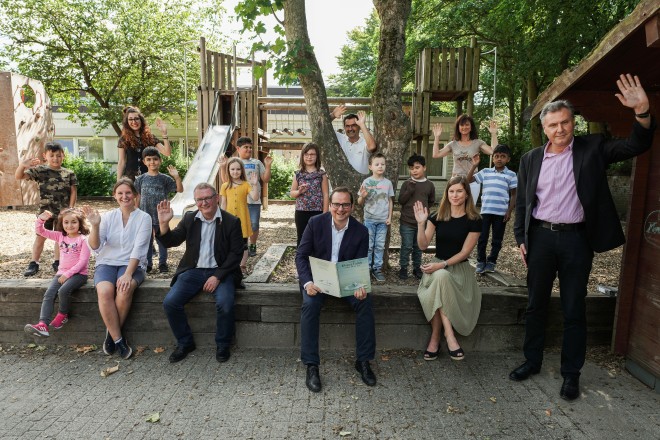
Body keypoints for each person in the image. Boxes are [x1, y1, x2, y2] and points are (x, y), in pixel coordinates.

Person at [509, 74, 656, 401]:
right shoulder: (531, 159)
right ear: (544, 129)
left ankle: (570, 374)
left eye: (564, 123)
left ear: (572, 122)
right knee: (535, 305)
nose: (559, 130)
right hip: (541, 239)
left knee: (574, 308)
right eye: (552, 125)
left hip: (577, 241)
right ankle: (531, 361)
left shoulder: (593, 148)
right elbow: (523, 202)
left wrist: (642, 112)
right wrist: (521, 237)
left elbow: (637, 144)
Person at [295, 187, 377, 392]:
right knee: (310, 305)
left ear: (351, 206)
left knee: (365, 303)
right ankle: (311, 365)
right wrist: (307, 283)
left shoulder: (361, 231)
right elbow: (301, 256)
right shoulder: (315, 223)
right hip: (318, 281)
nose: (340, 209)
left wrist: (360, 285)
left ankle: (364, 361)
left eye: (345, 205)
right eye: (336, 204)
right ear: (330, 205)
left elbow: (360, 263)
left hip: (345, 282)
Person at [157, 183, 244, 364]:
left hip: (222, 271)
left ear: (216, 198)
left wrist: (217, 276)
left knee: (225, 303)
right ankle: (185, 342)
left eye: (207, 198)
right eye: (199, 199)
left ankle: (222, 344)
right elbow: (172, 241)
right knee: (170, 302)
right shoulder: (190, 218)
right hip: (194, 271)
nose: (204, 203)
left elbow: (236, 254)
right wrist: (164, 224)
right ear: (195, 201)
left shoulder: (231, 221)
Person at [413, 176, 482, 361]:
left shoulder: (474, 219)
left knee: (441, 277)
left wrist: (442, 265)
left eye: (459, 191)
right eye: (451, 191)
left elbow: (465, 253)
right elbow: (422, 245)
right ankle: (448, 335)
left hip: (458, 271)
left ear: (467, 193)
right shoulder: (437, 216)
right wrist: (421, 224)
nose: (455, 195)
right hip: (436, 269)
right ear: (447, 193)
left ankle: (435, 338)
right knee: (441, 278)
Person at [82, 179, 152, 360]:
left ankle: (110, 334)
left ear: (135, 195)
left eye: (128, 192)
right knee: (104, 291)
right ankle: (118, 339)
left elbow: (139, 248)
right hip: (107, 262)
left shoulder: (144, 218)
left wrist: (128, 274)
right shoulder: (107, 217)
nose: (124, 196)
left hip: (132, 264)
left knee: (124, 288)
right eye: (120, 193)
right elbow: (96, 248)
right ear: (115, 196)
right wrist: (95, 226)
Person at [24, 208, 91, 337]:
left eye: (73, 222)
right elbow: (40, 231)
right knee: (49, 294)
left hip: (79, 275)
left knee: (63, 291)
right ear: (62, 223)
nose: (69, 225)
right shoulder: (60, 236)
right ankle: (43, 324)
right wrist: (41, 219)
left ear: (80, 224)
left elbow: (83, 262)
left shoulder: (83, 240)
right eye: (66, 222)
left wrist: (68, 274)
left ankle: (63, 314)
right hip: (61, 273)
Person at [15, 141, 78, 277]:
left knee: (60, 238)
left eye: (58, 155)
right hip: (46, 212)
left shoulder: (69, 173)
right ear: (45, 156)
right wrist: (22, 165)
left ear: (63, 156)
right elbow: (18, 176)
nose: (55, 158)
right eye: (52, 155)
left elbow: (73, 191)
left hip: (63, 213)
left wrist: (71, 209)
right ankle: (34, 262)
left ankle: (58, 262)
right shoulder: (40, 171)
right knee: (40, 237)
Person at [466, 144, 518, 274]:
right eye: (496, 156)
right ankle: (481, 261)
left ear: (508, 159)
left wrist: (509, 211)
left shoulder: (511, 175)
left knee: (497, 239)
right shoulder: (485, 172)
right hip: (485, 212)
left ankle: (491, 262)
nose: (499, 159)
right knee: (482, 238)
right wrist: (473, 165)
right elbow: (468, 180)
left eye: (502, 156)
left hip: (501, 213)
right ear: (493, 158)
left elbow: (514, 194)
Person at [219, 137, 272, 257]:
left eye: (250, 147)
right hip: (236, 201)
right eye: (245, 147)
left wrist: (268, 166)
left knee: (254, 224)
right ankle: (240, 246)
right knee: (236, 224)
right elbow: (226, 181)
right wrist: (222, 167)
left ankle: (252, 244)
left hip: (253, 198)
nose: (248, 149)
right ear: (238, 149)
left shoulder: (256, 162)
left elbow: (266, 179)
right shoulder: (234, 163)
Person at [134, 147, 183, 273]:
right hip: (145, 216)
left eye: (155, 159)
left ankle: (162, 264)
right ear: (144, 162)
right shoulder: (140, 179)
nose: (152, 162)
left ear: (160, 161)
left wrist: (176, 177)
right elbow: (138, 196)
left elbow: (179, 189)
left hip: (161, 217)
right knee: (147, 241)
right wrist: (135, 212)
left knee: (162, 241)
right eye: (149, 159)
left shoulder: (165, 179)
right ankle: (148, 263)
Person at [432, 115, 498, 202]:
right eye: (461, 125)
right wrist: (437, 137)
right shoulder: (453, 144)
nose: (464, 127)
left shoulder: (478, 143)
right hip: (456, 180)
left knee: (470, 208)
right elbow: (436, 154)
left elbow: (494, 151)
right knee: (455, 206)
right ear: (458, 127)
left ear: (471, 127)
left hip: (473, 181)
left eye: (467, 125)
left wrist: (493, 134)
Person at [397, 154, 436, 280]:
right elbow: (401, 200)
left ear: (424, 167)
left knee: (419, 247)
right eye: (411, 168)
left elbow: (431, 201)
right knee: (406, 246)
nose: (414, 170)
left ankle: (416, 268)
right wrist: (409, 190)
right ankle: (403, 268)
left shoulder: (429, 184)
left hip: (422, 223)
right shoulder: (406, 183)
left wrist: (424, 213)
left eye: (417, 167)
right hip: (407, 221)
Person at [357, 153, 394, 282]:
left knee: (380, 246)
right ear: (370, 167)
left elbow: (390, 201)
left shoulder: (388, 183)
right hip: (369, 220)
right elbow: (359, 202)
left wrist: (390, 217)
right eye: (377, 164)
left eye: (382, 164)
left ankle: (377, 269)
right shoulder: (366, 182)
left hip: (383, 221)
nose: (380, 166)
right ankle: (367, 268)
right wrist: (363, 196)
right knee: (369, 245)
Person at [220, 158, 260, 272]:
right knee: (228, 243)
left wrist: (255, 184)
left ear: (242, 170)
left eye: (238, 169)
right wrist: (222, 218)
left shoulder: (246, 184)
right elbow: (223, 203)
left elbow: (255, 197)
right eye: (232, 169)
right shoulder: (225, 185)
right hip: (229, 219)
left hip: (242, 219)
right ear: (228, 170)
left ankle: (242, 266)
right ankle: (230, 264)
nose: (235, 171)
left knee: (243, 244)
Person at [116, 106, 171, 181]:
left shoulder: (150, 137)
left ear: (141, 120)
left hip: (148, 179)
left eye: (136, 119)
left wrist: (164, 133)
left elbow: (167, 152)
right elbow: (121, 162)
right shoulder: (123, 139)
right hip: (130, 180)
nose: (134, 122)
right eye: (130, 119)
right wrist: (118, 183)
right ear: (127, 122)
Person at [290, 143, 329, 247]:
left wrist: (325, 214)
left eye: (312, 154)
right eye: (306, 154)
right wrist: (299, 192)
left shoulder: (322, 175)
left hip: (318, 212)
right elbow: (292, 193)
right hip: (301, 212)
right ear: (302, 156)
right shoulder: (298, 174)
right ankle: (301, 261)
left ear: (317, 156)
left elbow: (326, 195)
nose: (309, 157)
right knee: (302, 238)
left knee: (317, 239)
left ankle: (316, 262)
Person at [330, 106, 377, 174]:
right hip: (343, 182)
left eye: (354, 125)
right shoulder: (340, 138)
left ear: (359, 127)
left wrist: (362, 124)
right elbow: (322, 127)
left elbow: (372, 147)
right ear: (344, 127)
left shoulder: (364, 142)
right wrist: (333, 115)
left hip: (362, 182)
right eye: (347, 126)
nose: (350, 129)